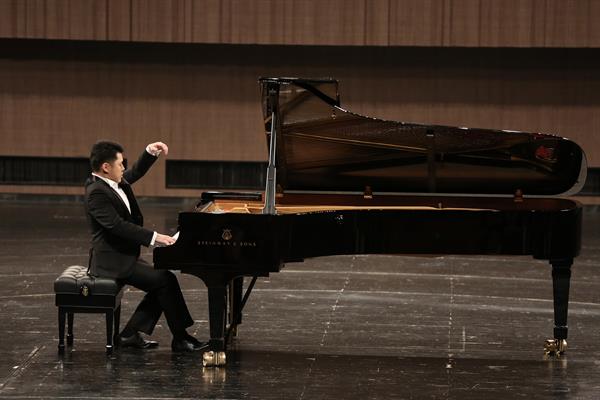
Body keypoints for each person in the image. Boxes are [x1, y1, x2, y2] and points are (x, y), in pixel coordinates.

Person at [84, 140, 205, 352]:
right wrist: (156, 237)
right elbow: (117, 226)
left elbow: (135, 172)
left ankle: (130, 334)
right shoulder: (96, 192)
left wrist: (149, 152)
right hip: (112, 262)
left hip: (123, 256)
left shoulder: (112, 182)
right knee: (165, 281)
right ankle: (180, 338)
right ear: (106, 167)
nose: (123, 168)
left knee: (162, 282)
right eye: (120, 164)